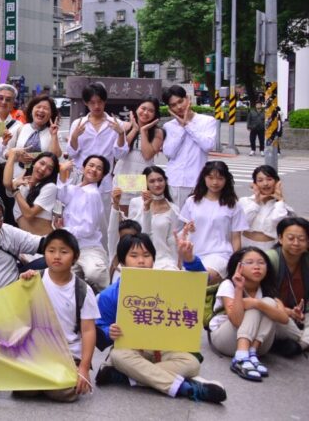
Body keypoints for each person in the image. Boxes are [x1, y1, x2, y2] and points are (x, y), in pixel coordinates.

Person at [95, 233, 227, 403]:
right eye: (134, 256)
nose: (141, 261)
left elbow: (197, 284)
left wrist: (189, 259)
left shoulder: (166, 284)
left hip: (164, 348)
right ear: (121, 263)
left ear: (153, 259)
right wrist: (108, 331)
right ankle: (185, 388)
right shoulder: (110, 294)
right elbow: (98, 329)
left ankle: (127, 376)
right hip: (131, 349)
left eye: (146, 255)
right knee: (118, 356)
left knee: (192, 364)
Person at [18, 229, 97, 403]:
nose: (57, 256)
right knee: (21, 389)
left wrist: (84, 368)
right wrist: (23, 285)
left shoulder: (83, 290)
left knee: (63, 392)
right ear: (44, 253)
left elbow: (88, 330)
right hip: (39, 350)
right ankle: (45, 380)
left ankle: (50, 380)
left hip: (68, 353)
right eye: (51, 250)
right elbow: (18, 312)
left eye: (64, 251)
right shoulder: (34, 280)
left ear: (75, 257)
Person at [208, 247, 289, 381]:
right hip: (226, 339)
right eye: (250, 262)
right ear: (238, 266)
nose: (256, 267)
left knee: (266, 303)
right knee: (255, 308)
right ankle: (241, 357)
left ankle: (250, 354)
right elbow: (236, 321)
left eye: (261, 263)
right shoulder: (228, 285)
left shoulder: (267, 288)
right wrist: (239, 289)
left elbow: (284, 319)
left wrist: (257, 303)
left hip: (258, 347)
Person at [179, 161, 248, 282]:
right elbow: (185, 231)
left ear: (226, 180)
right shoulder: (192, 201)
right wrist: (188, 230)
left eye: (220, 178)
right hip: (194, 252)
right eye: (210, 178)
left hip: (220, 254)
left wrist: (235, 262)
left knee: (204, 277)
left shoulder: (233, 205)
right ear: (204, 178)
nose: (215, 182)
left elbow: (236, 237)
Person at [108, 165, 180, 271]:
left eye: (160, 180)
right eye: (152, 181)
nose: (157, 184)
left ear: (165, 181)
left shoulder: (174, 209)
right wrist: (116, 205)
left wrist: (176, 264)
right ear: (145, 183)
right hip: (137, 257)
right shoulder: (136, 203)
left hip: (163, 260)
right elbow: (132, 234)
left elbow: (172, 241)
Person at [56, 156, 111, 292]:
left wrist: (64, 230)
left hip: (89, 248)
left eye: (99, 169)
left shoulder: (92, 194)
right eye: (91, 165)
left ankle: (105, 300)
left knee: (95, 274)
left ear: (102, 175)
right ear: (83, 168)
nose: (93, 170)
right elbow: (61, 194)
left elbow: (88, 229)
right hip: (71, 247)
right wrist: (63, 172)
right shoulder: (75, 189)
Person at [65, 83, 127, 205]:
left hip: (104, 181)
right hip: (82, 179)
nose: (97, 106)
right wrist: (74, 137)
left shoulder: (115, 124)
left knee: (103, 219)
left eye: (100, 102)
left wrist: (120, 134)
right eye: (92, 103)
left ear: (105, 101)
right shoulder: (78, 124)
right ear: (86, 103)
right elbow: (72, 153)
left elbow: (120, 155)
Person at [161, 84, 218, 207]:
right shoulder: (169, 126)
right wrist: (182, 128)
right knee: (175, 223)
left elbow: (208, 145)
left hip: (196, 181)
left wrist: (187, 125)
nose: (179, 107)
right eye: (173, 105)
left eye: (180, 101)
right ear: (169, 108)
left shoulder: (207, 121)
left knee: (195, 223)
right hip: (173, 181)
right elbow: (169, 153)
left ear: (188, 99)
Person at [113, 98, 165, 214]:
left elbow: (147, 155)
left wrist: (143, 131)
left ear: (155, 114)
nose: (145, 113)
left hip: (142, 177)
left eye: (151, 111)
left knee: (140, 216)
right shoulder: (126, 127)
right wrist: (135, 129)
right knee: (122, 216)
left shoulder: (157, 132)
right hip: (124, 174)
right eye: (143, 108)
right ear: (136, 109)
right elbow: (119, 153)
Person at [269, 216, 309, 354]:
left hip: (302, 315)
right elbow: (261, 296)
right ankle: (302, 341)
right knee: (281, 324)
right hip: (279, 314)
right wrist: (288, 312)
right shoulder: (269, 259)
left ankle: (300, 345)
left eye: (302, 239)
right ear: (280, 239)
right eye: (291, 238)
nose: (296, 243)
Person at [6, 95, 62, 179]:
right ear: (32, 109)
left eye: (46, 108)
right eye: (38, 107)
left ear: (51, 113)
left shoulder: (55, 133)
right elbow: (5, 153)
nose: (41, 110)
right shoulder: (19, 129)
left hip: (42, 179)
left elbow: (55, 157)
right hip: (17, 177)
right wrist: (18, 157)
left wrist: (53, 136)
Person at [239, 165, 293, 251]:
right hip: (245, 246)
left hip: (269, 248)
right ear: (254, 184)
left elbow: (277, 221)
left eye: (269, 179)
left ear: (277, 182)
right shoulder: (245, 201)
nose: (265, 184)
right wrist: (256, 202)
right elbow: (242, 223)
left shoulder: (283, 207)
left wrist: (280, 200)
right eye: (260, 180)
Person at [6, 149, 59, 236]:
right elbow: (6, 182)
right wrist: (12, 155)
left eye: (49, 168)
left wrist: (16, 191)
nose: (43, 169)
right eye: (41, 163)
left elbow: (29, 214)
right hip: (26, 242)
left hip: (45, 240)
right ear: (34, 162)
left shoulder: (50, 187)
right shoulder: (21, 183)